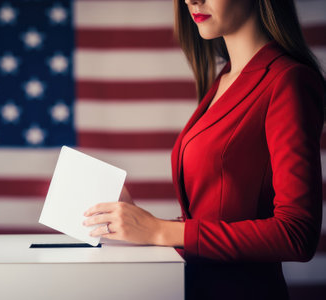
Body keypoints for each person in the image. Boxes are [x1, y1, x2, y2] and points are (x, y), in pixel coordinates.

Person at [83, 0, 324, 299]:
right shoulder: (223, 79)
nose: (191, 0)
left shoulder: (288, 80)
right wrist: (139, 221)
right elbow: (222, 214)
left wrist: (159, 231)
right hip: (195, 288)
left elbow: (296, 234)